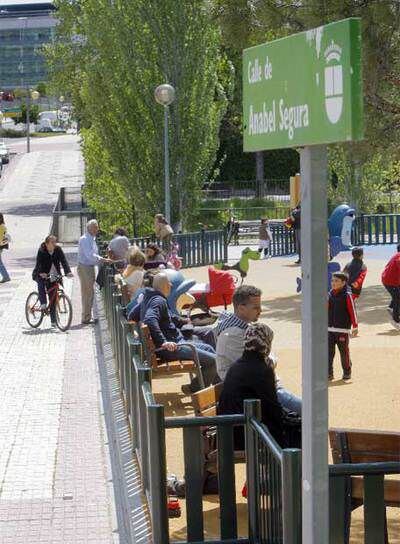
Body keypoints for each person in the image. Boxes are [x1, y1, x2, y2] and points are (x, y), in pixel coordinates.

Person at [216, 285, 302, 414]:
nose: (260, 310)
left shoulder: (245, 328)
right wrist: (270, 359)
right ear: (241, 308)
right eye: (256, 307)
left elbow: (265, 360)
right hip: (251, 395)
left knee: (306, 410)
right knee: (308, 411)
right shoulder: (233, 334)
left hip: (261, 389)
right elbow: (263, 364)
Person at [128, 273, 219, 392]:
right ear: (165, 286)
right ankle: (195, 389)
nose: (171, 285)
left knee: (209, 349)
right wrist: (163, 342)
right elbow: (150, 320)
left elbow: (132, 315)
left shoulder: (148, 297)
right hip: (171, 348)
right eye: (168, 283)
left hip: (172, 344)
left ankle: (217, 385)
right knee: (213, 360)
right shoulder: (158, 300)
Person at [217, 323, 285, 449]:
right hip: (245, 435)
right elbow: (272, 407)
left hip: (230, 430)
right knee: (296, 431)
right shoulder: (262, 369)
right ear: (266, 343)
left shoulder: (236, 365)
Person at [32, 235, 73, 326]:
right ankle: (43, 303)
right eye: (52, 242)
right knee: (41, 285)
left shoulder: (58, 249)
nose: (55, 244)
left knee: (53, 297)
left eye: (55, 242)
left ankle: (53, 321)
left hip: (53, 274)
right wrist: (42, 273)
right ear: (47, 244)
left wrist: (68, 272)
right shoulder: (42, 250)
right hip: (41, 273)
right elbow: (39, 263)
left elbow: (63, 261)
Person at [77, 219, 110, 324]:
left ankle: (87, 316)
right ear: (89, 228)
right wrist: (102, 259)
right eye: (95, 227)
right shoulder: (85, 239)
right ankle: (86, 317)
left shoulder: (91, 238)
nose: (97, 229)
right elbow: (89, 255)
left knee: (89, 292)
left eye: (97, 227)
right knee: (88, 293)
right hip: (85, 267)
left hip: (88, 267)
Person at [328, 272, 358, 381]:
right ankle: (329, 373)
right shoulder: (330, 294)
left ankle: (347, 372)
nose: (333, 283)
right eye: (332, 280)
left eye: (336, 281)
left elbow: (352, 311)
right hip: (329, 329)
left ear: (343, 282)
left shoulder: (348, 295)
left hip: (342, 330)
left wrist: (355, 326)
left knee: (344, 352)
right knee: (328, 353)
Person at [381, 243, 400, 330]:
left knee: (397, 295)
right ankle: (395, 320)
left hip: (390, 279)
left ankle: (391, 308)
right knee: (398, 298)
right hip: (390, 281)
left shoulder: (397, 255)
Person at [0, 213, 11, 283]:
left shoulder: (1, 226)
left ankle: (6, 276)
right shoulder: (2, 226)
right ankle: (6, 276)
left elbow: (0, 238)